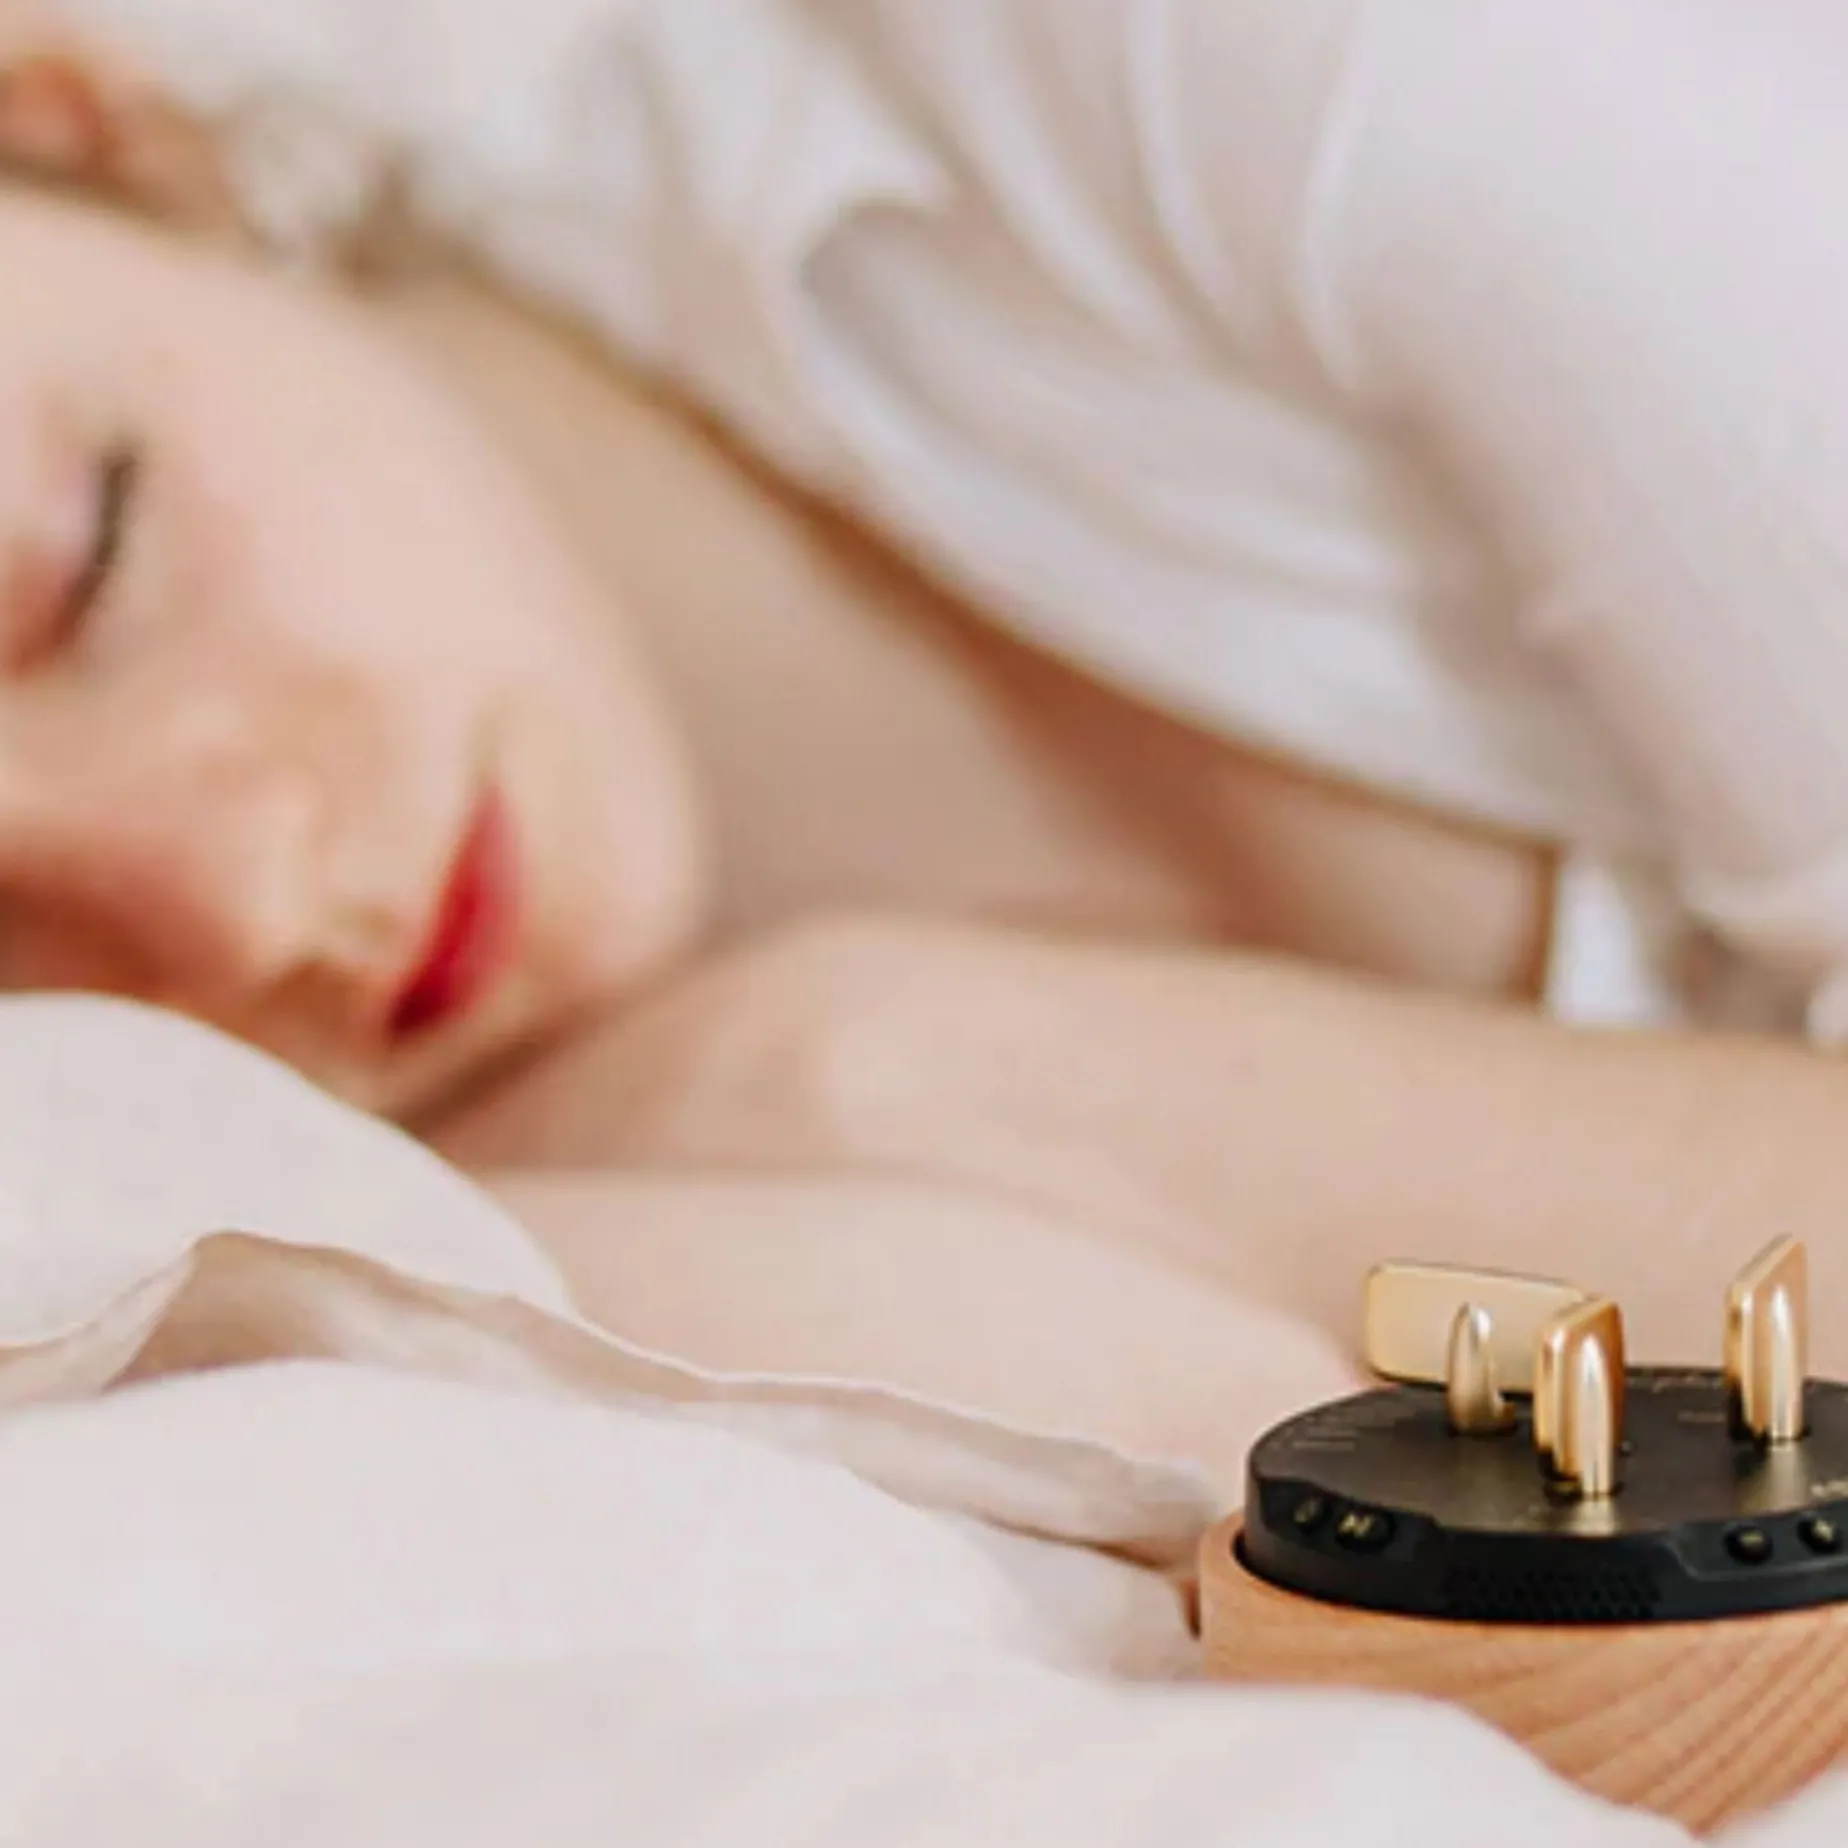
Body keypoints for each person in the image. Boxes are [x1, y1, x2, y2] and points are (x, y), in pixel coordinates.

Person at [5, 0, 1848, 1390]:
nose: (239, 895)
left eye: (85, 572)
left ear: (89, 129)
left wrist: (938, 1073)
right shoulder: (476, 1293)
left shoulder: (1220, 72)